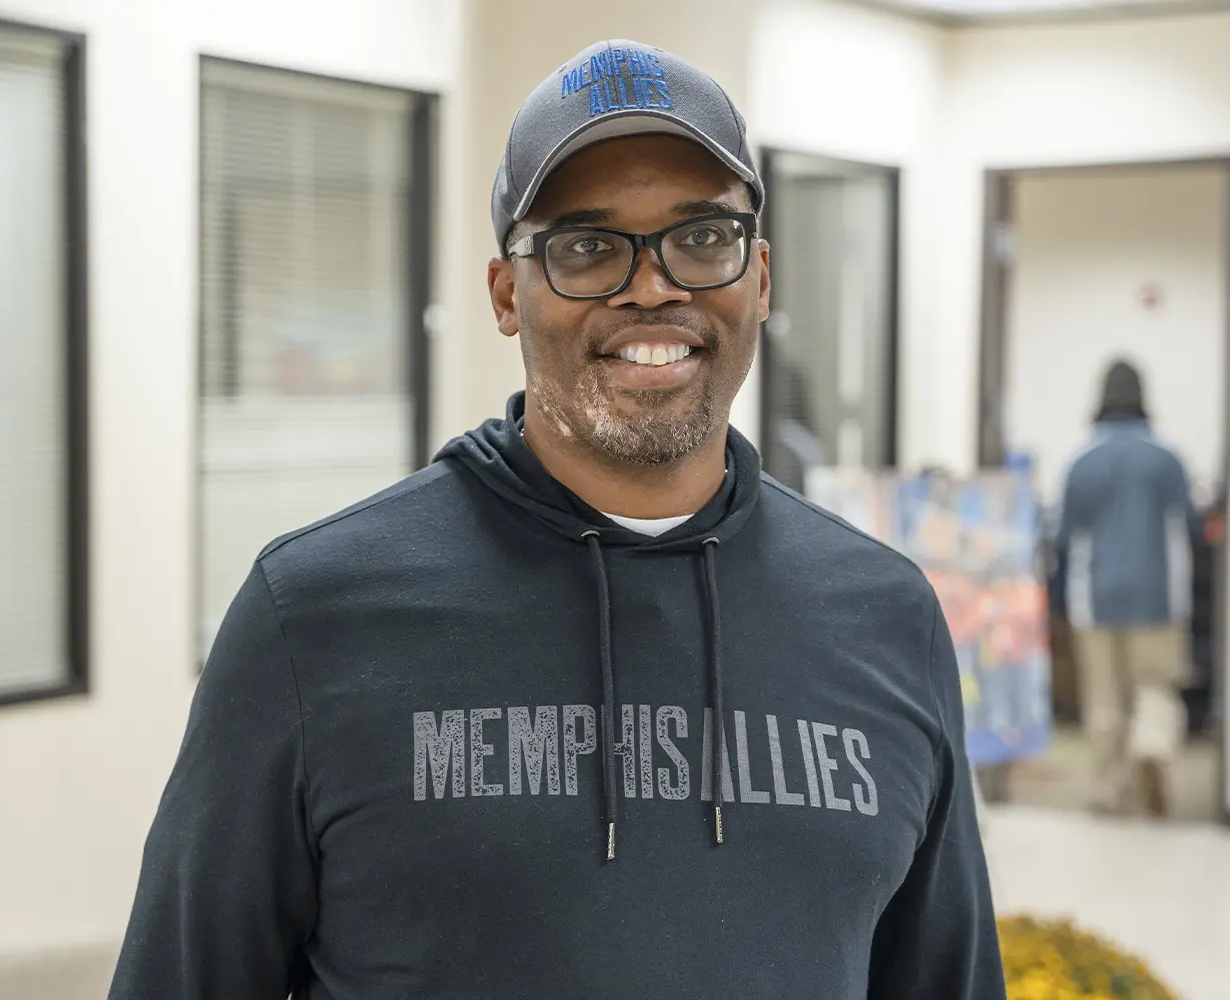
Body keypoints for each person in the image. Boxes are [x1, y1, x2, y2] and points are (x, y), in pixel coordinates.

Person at [108, 39, 1003, 1000]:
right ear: (507, 294)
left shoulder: (885, 615)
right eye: (585, 247)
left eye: (703, 237)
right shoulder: (316, 616)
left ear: (763, 277)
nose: (652, 286)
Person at [1055, 359, 1200, 818]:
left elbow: (1063, 539)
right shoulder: (1166, 459)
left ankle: (1108, 792)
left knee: (1103, 699)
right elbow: (1189, 527)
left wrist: (1060, 599)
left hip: (1095, 596)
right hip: (1157, 595)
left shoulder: (1081, 462)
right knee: (1155, 684)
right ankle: (1152, 743)